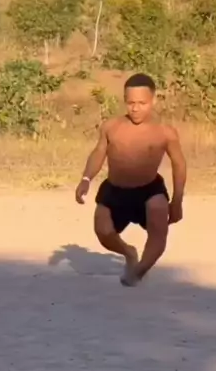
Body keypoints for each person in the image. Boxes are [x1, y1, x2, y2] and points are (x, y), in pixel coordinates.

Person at [75, 72, 187, 286]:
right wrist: (86, 179)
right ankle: (129, 252)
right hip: (115, 189)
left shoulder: (165, 132)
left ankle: (139, 271)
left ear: (153, 101)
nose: (135, 108)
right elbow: (99, 152)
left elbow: (179, 164)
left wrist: (177, 200)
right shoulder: (111, 127)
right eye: (131, 103)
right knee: (103, 232)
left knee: (158, 224)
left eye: (142, 103)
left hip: (149, 189)